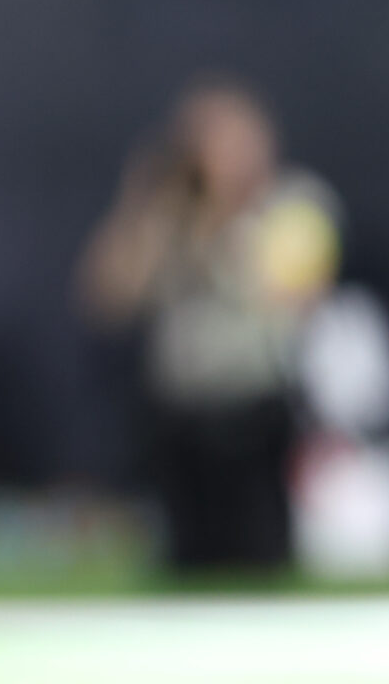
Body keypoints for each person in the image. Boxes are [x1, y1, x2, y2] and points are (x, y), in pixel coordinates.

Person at [79, 77, 340, 571]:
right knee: (188, 563)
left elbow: (297, 295)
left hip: (257, 411)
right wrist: (144, 207)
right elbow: (108, 298)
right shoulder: (170, 213)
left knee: (262, 559)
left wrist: (227, 222)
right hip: (182, 417)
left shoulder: (291, 204)